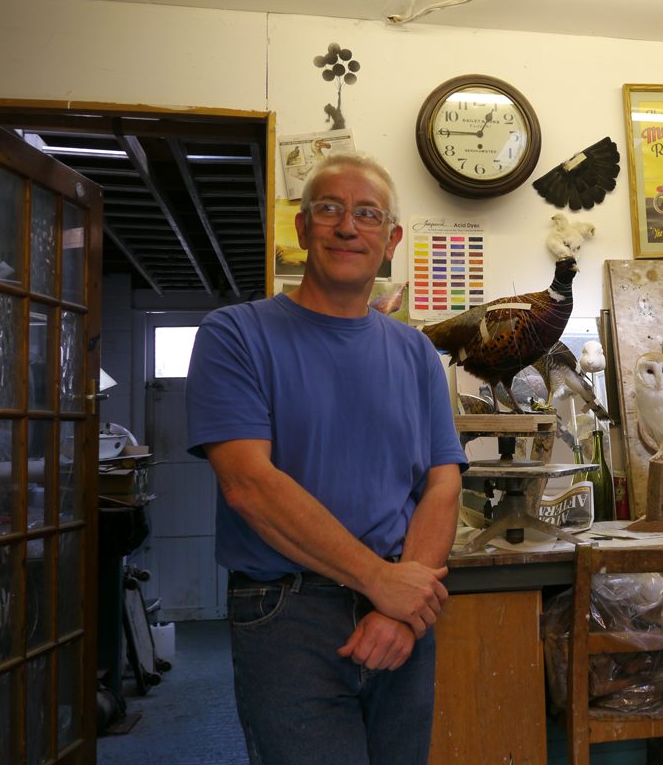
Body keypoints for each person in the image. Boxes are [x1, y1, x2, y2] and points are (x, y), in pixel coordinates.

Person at [186, 151, 467, 764]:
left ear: (390, 239)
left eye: (367, 214)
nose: (348, 227)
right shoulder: (234, 335)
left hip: (402, 611)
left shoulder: (416, 353)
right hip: (288, 613)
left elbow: (443, 485)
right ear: (302, 228)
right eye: (330, 209)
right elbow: (248, 486)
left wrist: (400, 608)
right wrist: (381, 582)